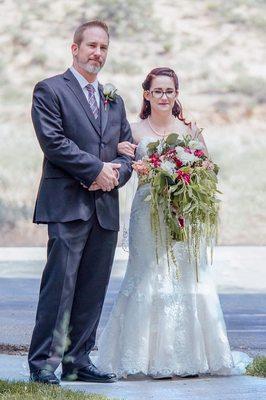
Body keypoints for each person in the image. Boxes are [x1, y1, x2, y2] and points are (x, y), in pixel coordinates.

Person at [95, 67, 251, 378]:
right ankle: (143, 357)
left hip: (183, 214)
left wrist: (192, 172)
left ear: (176, 95)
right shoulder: (133, 131)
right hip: (147, 213)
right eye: (158, 91)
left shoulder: (190, 130)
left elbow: (208, 166)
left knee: (187, 278)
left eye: (170, 91)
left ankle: (189, 357)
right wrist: (126, 156)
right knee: (147, 276)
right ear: (147, 94)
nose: (164, 96)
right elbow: (121, 164)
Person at [28, 20, 133, 385]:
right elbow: (54, 142)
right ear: (75, 48)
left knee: (92, 288)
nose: (97, 53)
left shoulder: (114, 99)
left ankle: (78, 360)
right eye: (91, 46)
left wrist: (116, 172)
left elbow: (128, 150)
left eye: (103, 47)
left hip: (104, 209)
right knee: (60, 288)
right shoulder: (50, 90)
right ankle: (44, 363)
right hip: (67, 204)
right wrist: (96, 170)